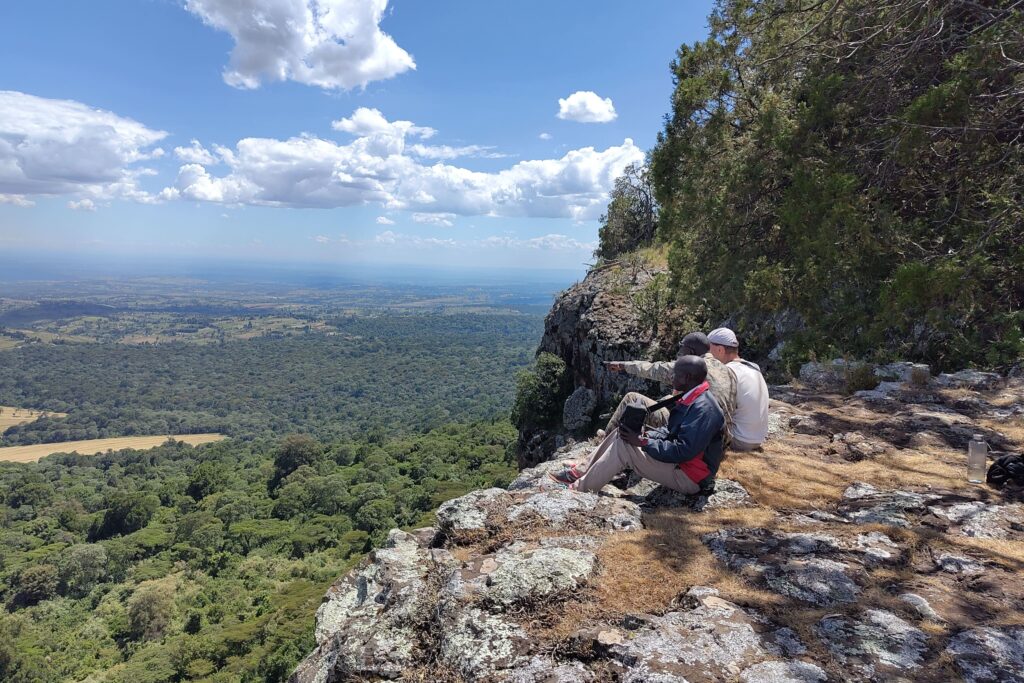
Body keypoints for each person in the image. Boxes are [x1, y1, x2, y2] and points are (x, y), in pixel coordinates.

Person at [557, 356, 724, 494]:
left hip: (689, 476)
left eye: (675, 374)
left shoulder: (704, 409)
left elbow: (683, 451)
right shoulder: (693, 397)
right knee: (621, 433)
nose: (671, 377)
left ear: (687, 378)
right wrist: (645, 435)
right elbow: (670, 431)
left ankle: (577, 491)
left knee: (624, 447)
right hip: (683, 466)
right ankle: (579, 473)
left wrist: (644, 442)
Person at [603, 332, 736, 440]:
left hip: (698, 437)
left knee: (632, 398)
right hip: (721, 438)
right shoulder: (728, 370)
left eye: (682, 349)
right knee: (667, 400)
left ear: (690, 351)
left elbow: (653, 369)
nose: (680, 353)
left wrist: (622, 366)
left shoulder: (691, 367)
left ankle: (603, 444)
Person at [707, 327, 768, 451]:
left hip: (738, 440)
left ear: (720, 350)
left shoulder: (727, 372)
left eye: (709, 350)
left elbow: (714, 409)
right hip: (757, 438)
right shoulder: (753, 368)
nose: (707, 355)